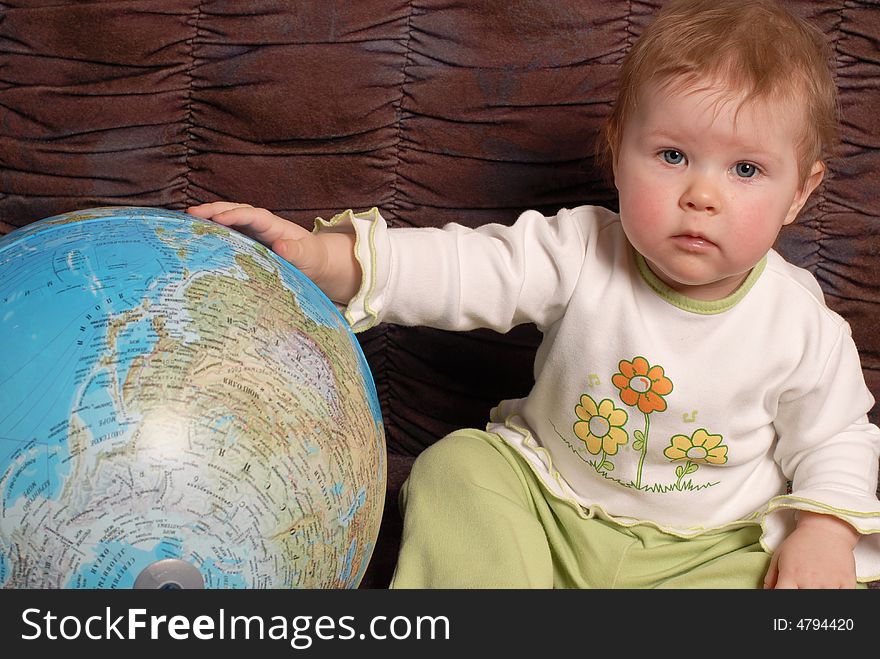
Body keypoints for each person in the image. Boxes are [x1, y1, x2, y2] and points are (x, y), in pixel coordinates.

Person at [188, 0, 880, 588]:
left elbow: (840, 436)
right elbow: (463, 268)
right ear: (617, 153)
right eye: (672, 156)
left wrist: (824, 526)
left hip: (705, 550)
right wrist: (326, 257)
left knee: (808, 586)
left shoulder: (801, 326)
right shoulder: (579, 249)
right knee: (458, 467)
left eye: (747, 169)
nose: (701, 194)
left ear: (800, 192)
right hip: (548, 504)